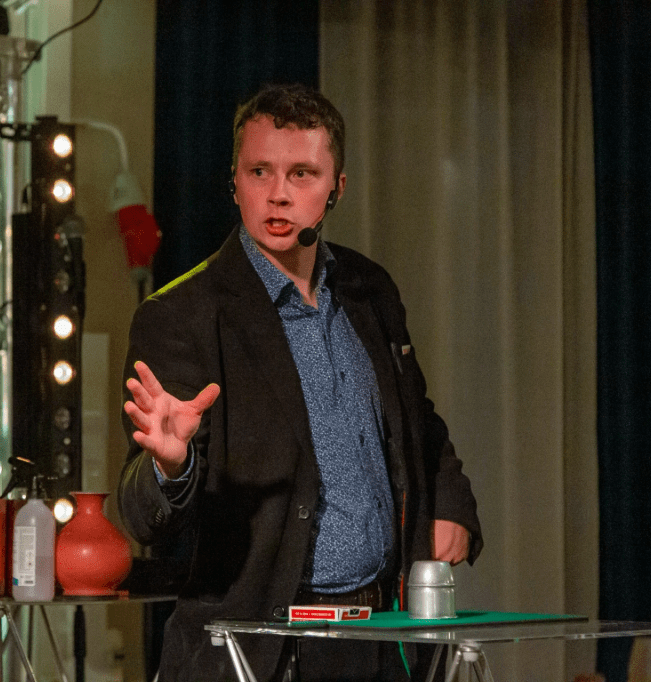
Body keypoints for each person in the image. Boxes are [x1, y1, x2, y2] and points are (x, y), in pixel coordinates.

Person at [117, 84, 482, 682]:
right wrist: (169, 465)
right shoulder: (181, 314)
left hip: (381, 634)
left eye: (302, 174)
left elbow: (417, 421)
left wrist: (451, 504)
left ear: (337, 187)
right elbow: (140, 516)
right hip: (261, 647)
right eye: (259, 171)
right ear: (234, 182)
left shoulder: (369, 289)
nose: (278, 194)